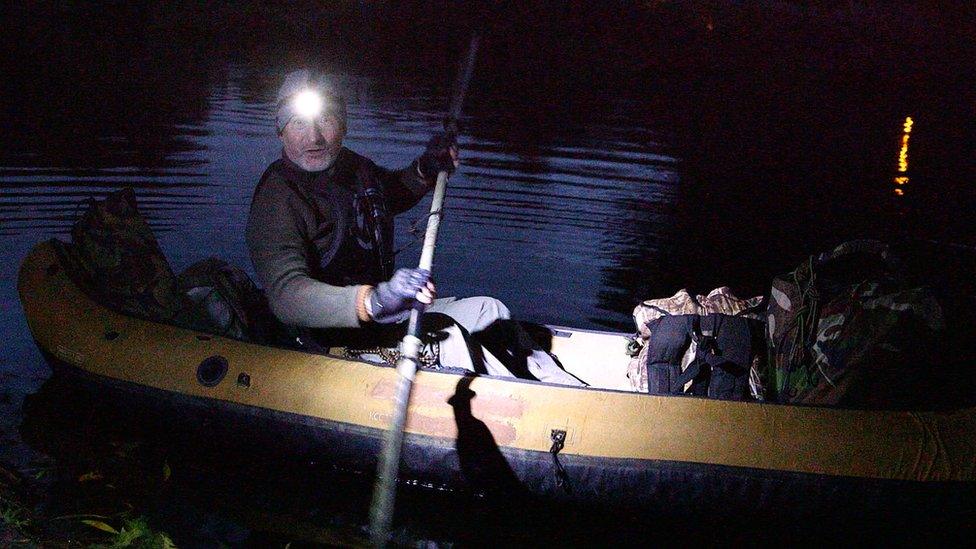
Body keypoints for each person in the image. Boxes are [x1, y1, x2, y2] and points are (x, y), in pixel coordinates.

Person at [245, 69, 582, 386]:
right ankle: (534, 405)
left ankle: (565, 388)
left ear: (344, 125)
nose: (314, 137)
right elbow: (286, 296)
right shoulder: (279, 197)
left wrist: (424, 169)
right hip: (328, 338)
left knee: (489, 310)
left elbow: (387, 195)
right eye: (300, 123)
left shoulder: (352, 167)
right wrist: (375, 300)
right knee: (451, 337)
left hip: (384, 320)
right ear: (281, 130)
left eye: (326, 120)